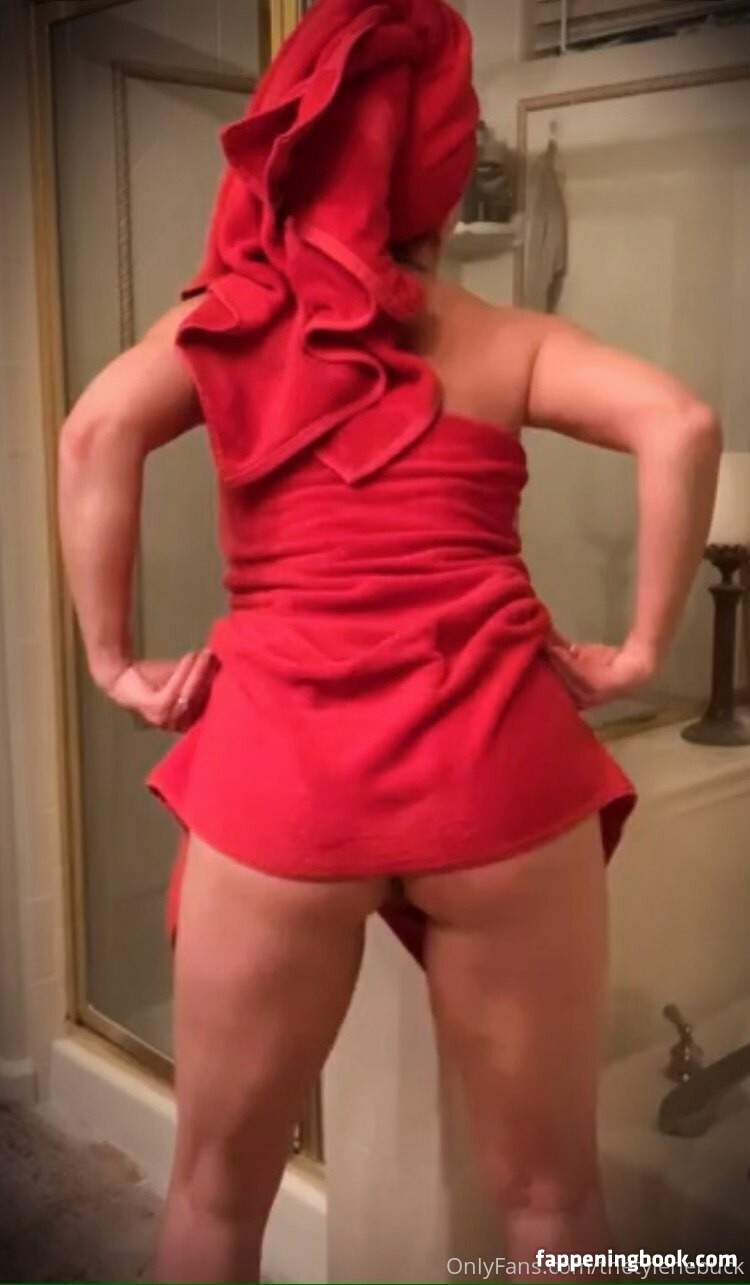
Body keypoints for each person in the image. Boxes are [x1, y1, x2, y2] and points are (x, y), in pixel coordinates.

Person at [56, 0, 721, 1281]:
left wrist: (112, 658)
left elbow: (93, 433)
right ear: (440, 171)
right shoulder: (507, 339)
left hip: (282, 773)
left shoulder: (226, 323)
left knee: (214, 1197)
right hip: (500, 769)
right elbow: (680, 423)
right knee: (551, 1196)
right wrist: (641, 650)